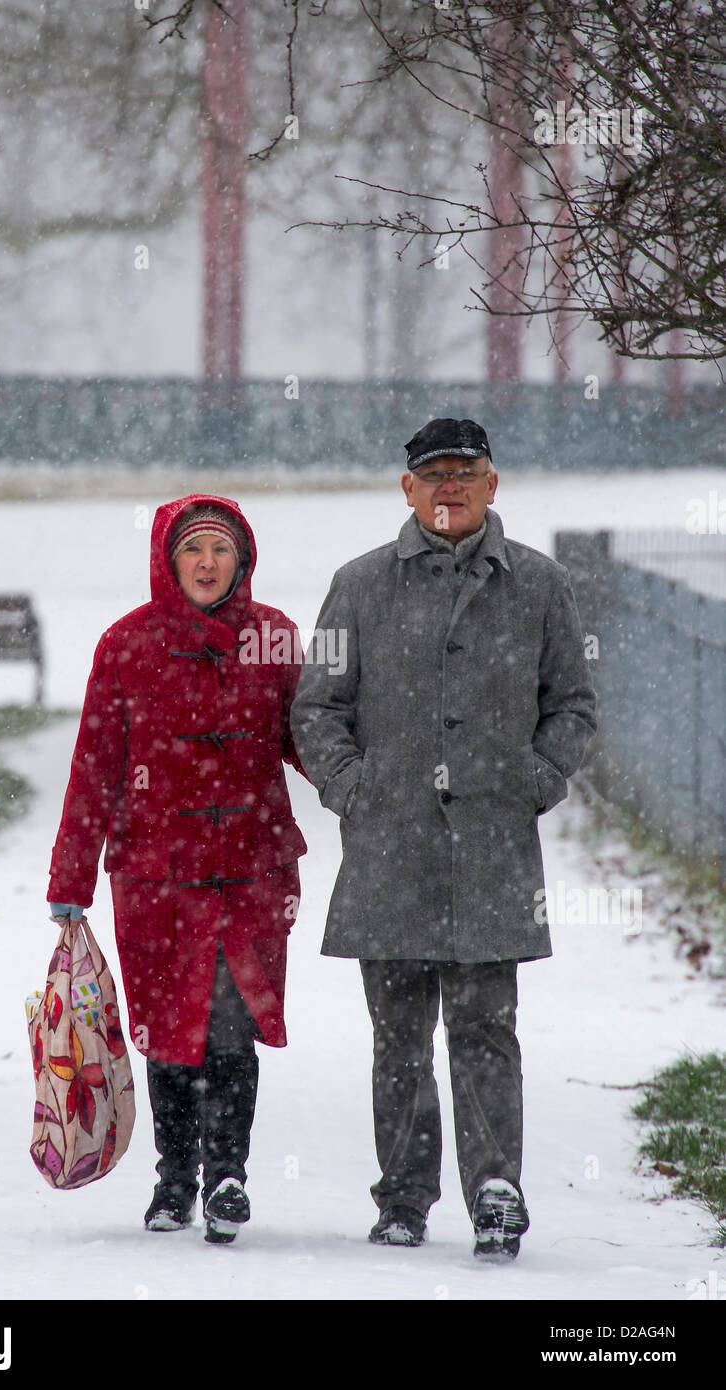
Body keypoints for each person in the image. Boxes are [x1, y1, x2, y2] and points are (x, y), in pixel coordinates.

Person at [290, 417, 597, 1259]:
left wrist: (537, 780)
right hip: (389, 847)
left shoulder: (539, 585)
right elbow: (317, 706)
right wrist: (352, 790)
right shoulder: (358, 586)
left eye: (465, 473)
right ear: (408, 490)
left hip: (493, 851)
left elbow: (572, 704)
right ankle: (403, 1196)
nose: (449, 487)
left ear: (493, 484)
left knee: (486, 1027)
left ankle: (497, 1190)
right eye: (434, 476)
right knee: (397, 1036)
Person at [47, 494, 308, 1243]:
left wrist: (370, 777)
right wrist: (71, 879)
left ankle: (227, 1176)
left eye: (220, 550)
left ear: (243, 560)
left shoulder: (273, 639)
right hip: (156, 877)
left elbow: (310, 738)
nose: (206, 563)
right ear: (168, 559)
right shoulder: (125, 645)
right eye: (192, 550)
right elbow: (94, 767)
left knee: (231, 1024)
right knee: (168, 1030)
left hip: (251, 869)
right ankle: (173, 1181)